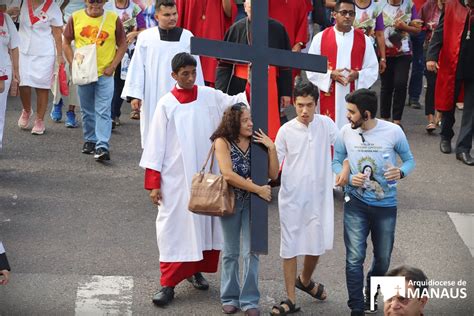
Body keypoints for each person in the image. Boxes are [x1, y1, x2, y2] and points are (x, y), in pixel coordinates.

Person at [139, 52, 248, 307]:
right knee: (173, 228)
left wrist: (252, 82)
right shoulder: (167, 103)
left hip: (206, 175)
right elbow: (155, 145)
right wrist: (153, 183)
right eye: (184, 74)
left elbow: (236, 104)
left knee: (204, 226)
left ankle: (193, 270)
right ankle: (167, 283)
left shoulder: (209, 96)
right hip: (175, 177)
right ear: (173, 76)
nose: (189, 78)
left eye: (193, 72)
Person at [332, 89, 415, 315]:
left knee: (382, 260)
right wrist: (348, 177)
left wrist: (400, 172)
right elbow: (336, 161)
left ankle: (371, 290)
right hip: (355, 202)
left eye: (351, 112)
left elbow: (409, 161)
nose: (347, 116)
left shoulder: (393, 131)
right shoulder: (345, 133)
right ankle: (357, 307)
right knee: (354, 258)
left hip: (385, 206)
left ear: (366, 114)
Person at [270, 81, 338, 315]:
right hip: (292, 197)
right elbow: (274, 168)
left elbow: (341, 148)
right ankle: (290, 298)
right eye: (300, 105)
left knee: (315, 244)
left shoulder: (326, 124)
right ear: (294, 104)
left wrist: (344, 171)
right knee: (289, 247)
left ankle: (305, 280)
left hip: (320, 197)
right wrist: (269, 150)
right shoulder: (286, 130)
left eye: (309, 105)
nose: (305, 111)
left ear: (317, 104)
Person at [212, 105, 279, 316]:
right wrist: (257, 188)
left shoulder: (256, 141)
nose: (251, 124)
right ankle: (230, 297)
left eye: (250, 119)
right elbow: (228, 175)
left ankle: (250, 300)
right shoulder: (222, 142)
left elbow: (273, 174)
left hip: (253, 204)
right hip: (230, 202)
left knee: (252, 252)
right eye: (245, 121)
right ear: (234, 123)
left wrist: (272, 148)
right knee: (231, 252)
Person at [121, 0, 204, 148]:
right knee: (154, 137)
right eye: (167, 15)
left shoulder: (187, 37)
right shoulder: (146, 37)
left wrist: (198, 94)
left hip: (181, 95)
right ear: (157, 16)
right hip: (153, 93)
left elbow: (195, 68)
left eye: (174, 14)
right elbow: (138, 66)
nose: (172, 18)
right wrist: (135, 94)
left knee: (179, 140)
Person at [215, 0, 292, 139]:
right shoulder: (236, 29)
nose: (254, 10)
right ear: (245, 7)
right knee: (240, 125)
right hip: (241, 84)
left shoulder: (278, 29)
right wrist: (220, 92)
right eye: (251, 6)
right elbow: (224, 65)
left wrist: (286, 92)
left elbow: (285, 64)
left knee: (267, 127)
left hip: (270, 85)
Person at [63, 0, 127, 161]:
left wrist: (113, 66)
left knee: (103, 109)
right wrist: (73, 64)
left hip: (105, 73)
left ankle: (102, 145)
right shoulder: (75, 17)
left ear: (105, 2)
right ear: (85, 1)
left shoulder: (113, 18)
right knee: (87, 109)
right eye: (92, 0)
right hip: (84, 72)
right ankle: (90, 140)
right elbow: (65, 41)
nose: (96, 4)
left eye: (100, 0)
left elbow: (123, 44)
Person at [307, 0, 379, 130]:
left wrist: (358, 75)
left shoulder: (364, 40)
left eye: (351, 13)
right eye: (344, 12)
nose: (348, 16)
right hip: (328, 95)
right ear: (334, 14)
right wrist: (330, 75)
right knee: (328, 133)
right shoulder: (320, 38)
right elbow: (311, 68)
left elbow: (373, 69)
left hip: (354, 94)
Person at [426, 0, 474, 166]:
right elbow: (439, 32)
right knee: (448, 104)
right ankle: (446, 136)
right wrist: (431, 56)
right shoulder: (452, 5)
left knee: (471, 110)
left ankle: (463, 149)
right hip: (452, 62)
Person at [17, 0, 63, 135]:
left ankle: (39, 120)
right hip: (23, 50)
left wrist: (59, 56)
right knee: (23, 83)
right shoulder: (23, 3)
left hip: (44, 52)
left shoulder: (53, 7)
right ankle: (26, 109)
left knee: (42, 86)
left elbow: (57, 33)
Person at [379, 0, 422, 129]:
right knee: (386, 85)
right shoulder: (379, 5)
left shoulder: (409, 5)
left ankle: (397, 120)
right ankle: (384, 118)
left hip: (404, 52)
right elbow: (377, 29)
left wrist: (405, 27)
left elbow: (418, 29)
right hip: (384, 51)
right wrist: (381, 57)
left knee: (401, 83)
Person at [176, 0, 237, 86]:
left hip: (212, 36)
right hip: (191, 35)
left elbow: (229, 13)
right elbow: (178, 14)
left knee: (211, 79)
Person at [104, 0, 145, 128]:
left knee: (120, 83)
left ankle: (113, 114)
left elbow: (144, 31)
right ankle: (109, 114)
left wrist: (135, 33)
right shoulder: (107, 7)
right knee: (107, 83)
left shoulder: (136, 9)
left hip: (128, 52)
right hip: (108, 50)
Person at [50, 0, 85, 129]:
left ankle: (71, 112)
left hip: (80, 40)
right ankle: (57, 101)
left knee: (76, 76)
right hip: (61, 38)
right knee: (59, 73)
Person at [420, 0, 445, 133]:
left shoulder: (455, 7)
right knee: (431, 84)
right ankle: (431, 119)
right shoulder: (428, 6)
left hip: (449, 52)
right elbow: (419, 23)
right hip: (430, 49)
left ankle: (439, 116)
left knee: (444, 84)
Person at [0, 10, 20, 151]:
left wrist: (16, 71)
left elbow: (14, 47)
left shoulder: (6, 19)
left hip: (4, 69)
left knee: (0, 109)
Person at [353, 0, 387, 74]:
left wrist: (383, 58)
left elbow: (380, 34)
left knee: (366, 80)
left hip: (368, 50)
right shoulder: (348, 4)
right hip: (350, 50)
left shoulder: (376, 7)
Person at [407, 0, 427, 109]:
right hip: (405, 24)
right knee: (401, 62)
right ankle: (396, 93)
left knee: (419, 64)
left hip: (423, 28)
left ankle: (414, 97)